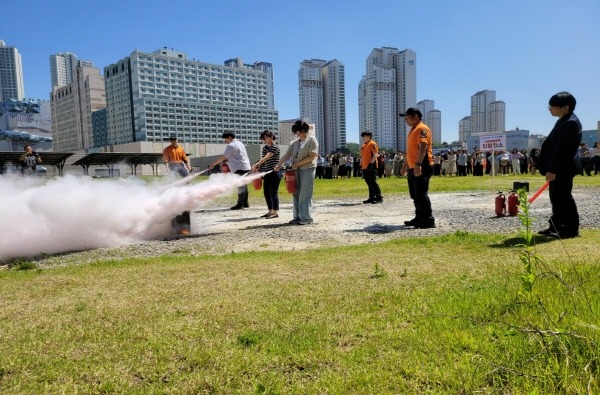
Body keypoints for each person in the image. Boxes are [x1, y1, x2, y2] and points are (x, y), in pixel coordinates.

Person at [538, 91, 582, 239]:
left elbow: (561, 150)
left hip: (563, 168)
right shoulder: (564, 120)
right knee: (556, 198)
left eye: (553, 106)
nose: (550, 108)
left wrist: (552, 170)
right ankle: (556, 225)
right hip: (560, 167)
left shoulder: (570, 123)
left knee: (563, 197)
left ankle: (570, 229)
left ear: (565, 107)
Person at [274, 120, 318, 225]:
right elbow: (286, 155)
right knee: (295, 192)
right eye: (296, 132)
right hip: (295, 171)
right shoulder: (294, 143)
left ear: (305, 130)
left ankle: (306, 218)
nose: (298, 134)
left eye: (299, 131)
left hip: (307, 169)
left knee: (305, 194)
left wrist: (298, 164)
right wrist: (279, 164)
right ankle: (297, 217)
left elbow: (312, 156)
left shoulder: (312, 140)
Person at [400, 108, 435, 229]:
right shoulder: (413, 130)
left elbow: (423, 147)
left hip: (422, 165)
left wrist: (418, 164)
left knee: (421, 194)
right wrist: (405, 165)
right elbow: (411, 151)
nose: (405, 120)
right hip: (412, 166)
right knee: (415, 195)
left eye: (407, 117)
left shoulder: (421, 128)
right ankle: (419, 217)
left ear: (415, 116)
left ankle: (428, 220)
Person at [209, 131, 252, 210]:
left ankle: (240, 204)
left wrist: (213, 164)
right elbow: (236, 156)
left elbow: (223, 157)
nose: (225, 141)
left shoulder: (231, 145)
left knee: (240, 186)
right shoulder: (240, 143)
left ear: (229, 137)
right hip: (246, 166)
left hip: (239, 168)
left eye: (225, 139)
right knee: (244, 186)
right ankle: (245, 203)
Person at [162, 135, 192, 235]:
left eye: (174, 140)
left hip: (180, 165)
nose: (173, 141)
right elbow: (165, 159)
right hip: (172, 165)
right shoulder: (167, 149)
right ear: (170, 141)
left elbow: (185, 158)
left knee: (186, 178)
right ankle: (173, 192)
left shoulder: (180, 149)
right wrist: (166, 167)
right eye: (172, 140)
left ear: (177, 140)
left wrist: (188, 166)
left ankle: (186, 191)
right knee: (173, 180)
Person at [251, 130, 281, 219]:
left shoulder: (275, 147)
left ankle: (275, 212)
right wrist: (259, 168)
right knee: (266, 192)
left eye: (267, 137)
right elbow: (264, 160)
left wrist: (256, 164)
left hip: (275, 173)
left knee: (273, 192)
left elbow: (267, 157)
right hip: (266, 173)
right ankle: (270, 211)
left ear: (272, 137)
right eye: (264, 138)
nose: (266, 140)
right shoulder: (265, 148)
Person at [360, 131, 383, 204]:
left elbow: (375, 154)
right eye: (363, 136)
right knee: (368, 182)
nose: (363, 138)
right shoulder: (363, 145)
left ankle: (379, 197)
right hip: (365, 166)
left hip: (371, 166)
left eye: (365, 136)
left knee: (373, 182)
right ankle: (372, 197)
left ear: (369, 136)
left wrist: (370, 164)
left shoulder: (372, 144)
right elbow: (362, 156)